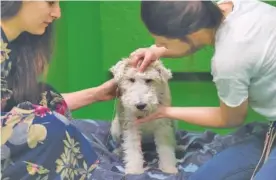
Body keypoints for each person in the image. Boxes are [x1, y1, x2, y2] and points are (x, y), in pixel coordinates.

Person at [130, 0, 276, 180]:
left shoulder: (229, 60)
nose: (158, 45)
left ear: (192, 33)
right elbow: (189, 42)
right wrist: (155, 51)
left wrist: (164, 111)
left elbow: (230, 118)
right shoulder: (233, 6)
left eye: (162, 42)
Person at [1, 1, 117, 179]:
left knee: (48, 98)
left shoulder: (12, 47)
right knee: (50, 125)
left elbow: (21, 102)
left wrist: (97, 94)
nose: (57, 13)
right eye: (50, 3)